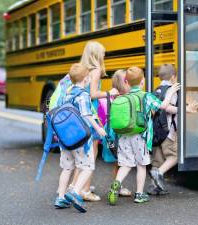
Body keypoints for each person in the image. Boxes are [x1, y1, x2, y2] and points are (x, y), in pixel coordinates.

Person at [107, 66, 180, 205]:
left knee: (126, 165)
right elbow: (163, 106)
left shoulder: (123, 97)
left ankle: (117, 183)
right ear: (143, 82)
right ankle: (139, 194)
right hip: (141, 137)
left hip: (124, 136)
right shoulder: (146, 96)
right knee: (141, 165)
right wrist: (170, 92)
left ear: (126, 82)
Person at [69, 41, 118, 202]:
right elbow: (92, 94)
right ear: (96, 55)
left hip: (80, 112)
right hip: (92, 111)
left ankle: (75, 186)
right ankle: (84, 190)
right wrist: (109, 92)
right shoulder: (95, 70)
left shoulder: (83, 70)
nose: (104, 56)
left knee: (84, 151)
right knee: (92, 151)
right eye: (103, 53)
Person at [55, 63, 106, 212]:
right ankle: (75, 192)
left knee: (67, 168)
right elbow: (86, 114)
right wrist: (98, 129)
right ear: (86, 79)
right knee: (88, 166)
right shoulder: (83, 95)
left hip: (65, 138)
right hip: (80, 139)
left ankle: (61, 197)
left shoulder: (67, 92)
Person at [148, 64, 198, 195]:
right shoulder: (171, 89)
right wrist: (186, 109)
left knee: (158, 159)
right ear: (173, 77)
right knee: (174, 156)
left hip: (156, 131)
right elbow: (169, 108)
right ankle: (159, 174)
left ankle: (153, 187)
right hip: (168, 131)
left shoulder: (157, 89)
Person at [99, 69, 132, 197]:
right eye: (127, 81)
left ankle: (118, 184)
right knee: (122, 161)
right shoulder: (123, 98)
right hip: (119, 132)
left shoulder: (112, 96)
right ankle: (118, 186)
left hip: (111, 131)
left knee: (118, 161)